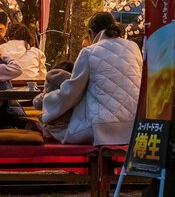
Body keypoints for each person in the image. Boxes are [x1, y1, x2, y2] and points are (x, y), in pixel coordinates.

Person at [41, 12, 142, 144]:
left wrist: (48, 102)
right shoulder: (133, 48)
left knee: (54, 129)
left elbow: (73, 92)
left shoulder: (89, 52)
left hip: (101, 128)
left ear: (91, 32)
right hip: (134, 127)